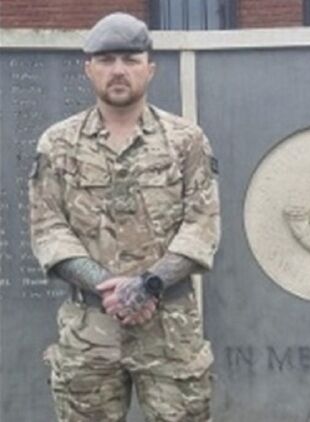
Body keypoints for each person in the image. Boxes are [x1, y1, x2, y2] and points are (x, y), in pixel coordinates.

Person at [28, 12, 220, 422]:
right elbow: (49, 229)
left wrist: (148, 285)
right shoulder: (58, 144)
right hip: (89, 333)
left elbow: (201, 226)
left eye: (130, 60)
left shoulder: (186, 141)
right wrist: (110, 290)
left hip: (170, 330)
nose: (118, 70)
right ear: (89, 68)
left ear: (150, 69)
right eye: (106, 59)